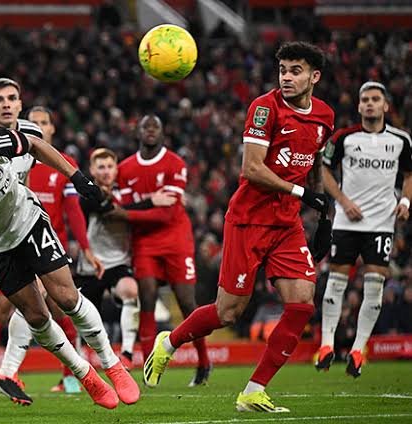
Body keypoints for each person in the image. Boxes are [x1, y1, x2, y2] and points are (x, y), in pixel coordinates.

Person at [0, 100, 139, 410]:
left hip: (27, 223)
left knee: (67, 298)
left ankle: (112, 364)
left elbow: (35, 145)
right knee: (36, 317)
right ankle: (85, 375)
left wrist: (77, 177)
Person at [143, 41, 335, 413]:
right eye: (282, 70)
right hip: (248, 221)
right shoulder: (264, 108)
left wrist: (321, 208)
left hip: (287, 224)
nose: (286, 77)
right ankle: (169, 342)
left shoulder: (324, 115)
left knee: (301, 305)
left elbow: (312, 162)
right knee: (227, 312)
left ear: (315, 77)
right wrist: (302, 192)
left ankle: (253, 390)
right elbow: (251, 168)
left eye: (295, 71)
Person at [0, 105, 103, 395]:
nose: (37, 126)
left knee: (58, 307)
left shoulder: (60, 165)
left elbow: (74, 212)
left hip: (49, 244)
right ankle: (4, 373)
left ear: (51, 129)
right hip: (15, 242)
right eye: (34, 121)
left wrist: (86, 249)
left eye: (44, 122)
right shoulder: (12, 163)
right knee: (29, 303)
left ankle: (65, 375)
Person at [316, 81, 412, 377]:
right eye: (365, 100)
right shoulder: (344, 137)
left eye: (375, 99)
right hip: (347, 220)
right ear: (358, 106)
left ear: (385, 106)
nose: (369, 104)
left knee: (374, 287)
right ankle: (326, 344)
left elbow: (409, 175)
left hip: (381, 223)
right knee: (336, 282)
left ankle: (358, 350)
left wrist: (406, 201)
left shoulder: (401, 140)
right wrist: (343, 201)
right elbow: (324, 169)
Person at [0, 78, 54, 400]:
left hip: (19, 228)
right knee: (1, 307)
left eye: (12, 98)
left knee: (36, 299)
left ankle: (6, 372)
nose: (6, 104)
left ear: (20, 104)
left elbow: (25, 178)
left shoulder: (32, 136)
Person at [115, 114, 211, 386]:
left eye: (155, 127)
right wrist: (146, 203)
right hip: (144, 244)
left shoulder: (175, 164)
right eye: (146, 126)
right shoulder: (124, 169)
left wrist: (127, 213)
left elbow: (166, 215)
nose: (150, 131)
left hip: (176, 241)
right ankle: (149, 370)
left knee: (187, 304)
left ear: (162, 132)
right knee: (145, 299)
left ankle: (204, 361)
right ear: (138, 131)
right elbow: (122, 204)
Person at [76, 148, 177, 369]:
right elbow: (111, 211)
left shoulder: (126, 192)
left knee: (131, 291)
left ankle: (128, 353)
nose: (106, 171)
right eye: (100, 167)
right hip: (91, 264)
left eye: (110, 166)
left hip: (118, 262)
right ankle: (77, 364)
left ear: (116, 169)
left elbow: (130, 207)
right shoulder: (88, 192)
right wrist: (151, 201)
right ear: (92, 170)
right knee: (80, 316)